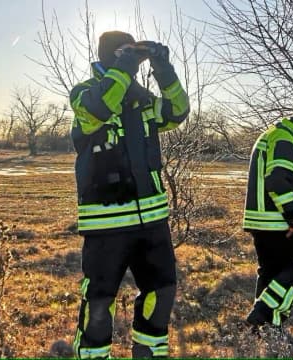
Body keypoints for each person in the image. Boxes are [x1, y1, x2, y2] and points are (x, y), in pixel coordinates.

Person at [69, 31, 189, 358]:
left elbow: (178, 111)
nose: (132, 60)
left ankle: (148, 354)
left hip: (152, 222)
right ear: (111, 56)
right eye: (124, 54)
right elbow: (99, 110)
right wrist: (123, 67)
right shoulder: (85, 93)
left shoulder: (142, 99)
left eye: (134, 54)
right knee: (100, 300)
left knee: (161, 292)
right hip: (106, 222)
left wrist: (163, 68)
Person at [242, 103, 293, 329]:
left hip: (264, 221)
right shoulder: (286, 139)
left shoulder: (274, 134)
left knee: (272, 272)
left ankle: (262, 330)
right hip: (277, 220)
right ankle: (262, 315)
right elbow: (277, 181)